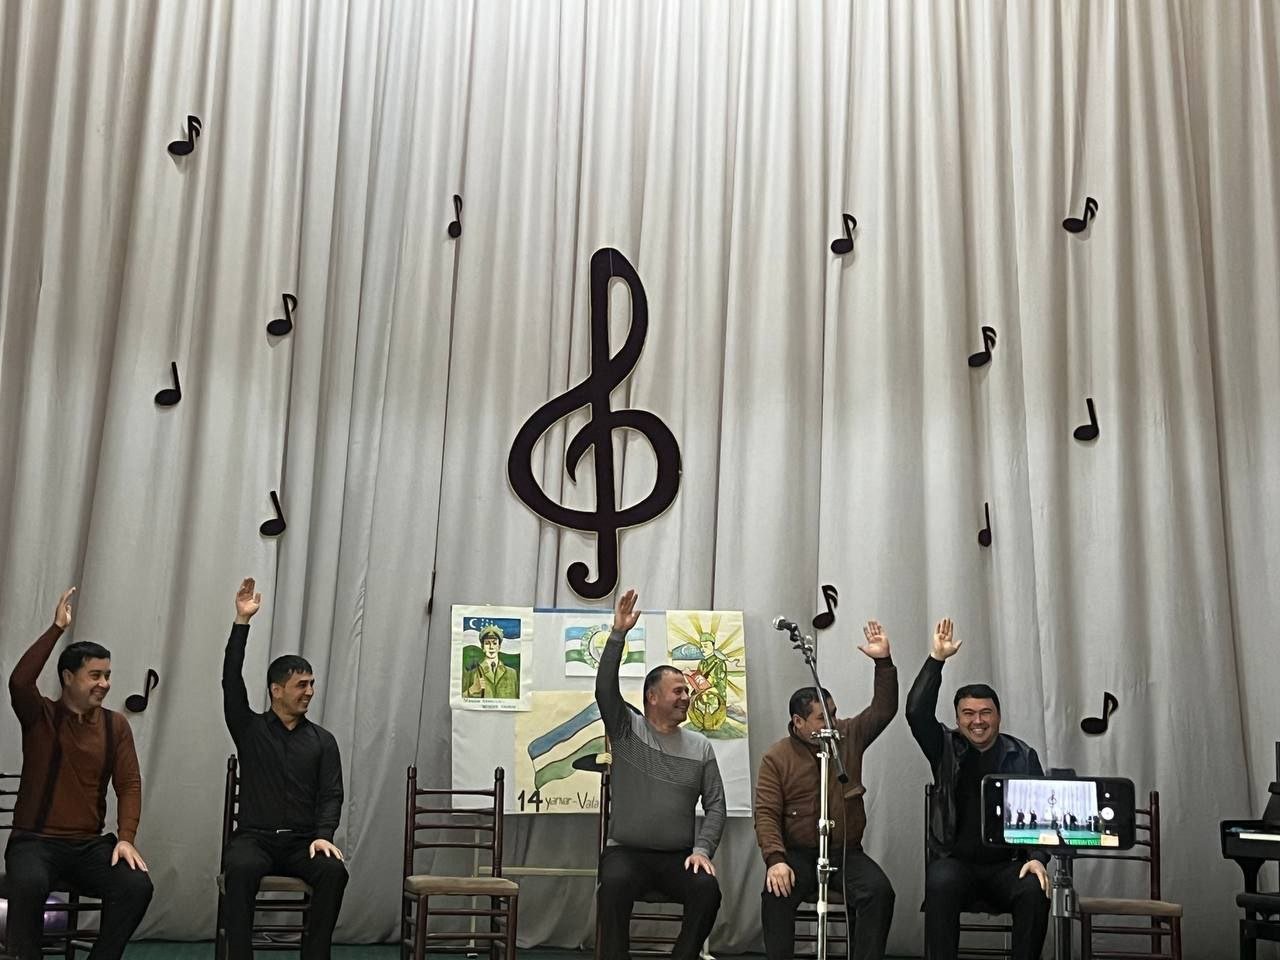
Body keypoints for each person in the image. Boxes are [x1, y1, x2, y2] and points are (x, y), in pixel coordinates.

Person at [4, 587, 153, 960]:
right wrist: (57, 628)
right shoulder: (40, 716)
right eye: (95, 675)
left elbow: (129, 784)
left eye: (108, 675)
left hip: (87, 846)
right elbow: (19, 682)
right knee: (28, 884)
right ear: (68, 677)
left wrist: (126, 838)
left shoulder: (115, 726)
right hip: (33, 843)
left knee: (136, 886)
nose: (105, 684)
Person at [906, 617, 1050, 960]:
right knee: (939, 881)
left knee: (1035, 888)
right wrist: (936, 660)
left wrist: (1037, 859)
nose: (978, 721)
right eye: (968, 713)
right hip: (956, 863)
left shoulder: (1022, 755)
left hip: (1008, 864)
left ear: (998, 716)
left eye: (986, 712)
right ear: (958, 720)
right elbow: (915, 712)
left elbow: (1044, 817)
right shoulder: (944, 747)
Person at [754, 620, 899, 960]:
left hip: (845, 853)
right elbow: (766, 814)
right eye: (822, 718)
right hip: (798, 854)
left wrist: (883, 663)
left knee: (880, 893)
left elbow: (884, 709)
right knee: (775, 894)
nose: (831, 723)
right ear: (798, 722)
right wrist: (776, 860)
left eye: (833, 714)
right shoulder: (777, 757)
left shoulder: (847, 736)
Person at [594, 589, 725, 960]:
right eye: (678, 691)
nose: (686, 697)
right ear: (652, 697)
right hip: (625, 854)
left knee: (708, 890)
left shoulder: (700, 747)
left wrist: (702, 850)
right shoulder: (626, 731)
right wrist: (618, 634)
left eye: (687, 691)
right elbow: (604, 690)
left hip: (677, 857)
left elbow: (716, 806)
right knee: (612, 886)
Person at [221, 578, 348, 960]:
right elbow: (230, 680)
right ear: (276, 690)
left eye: (311, 684)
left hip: (302, 843)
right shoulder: (249, 729)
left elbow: (332, 795)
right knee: (239, 868)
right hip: (254, 839)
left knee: (334, 871)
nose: (309, 691)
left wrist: (324, 835)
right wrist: (241, 623)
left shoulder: (323, 741)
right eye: (300, 685)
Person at [461, 625, 518, 699]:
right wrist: (472, 690)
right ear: (482, 647)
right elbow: (459, 700)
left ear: (499, 647)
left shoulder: (512, 674)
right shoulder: (472, 674)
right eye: (487, 643)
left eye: (494, 643)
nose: (491, 647)